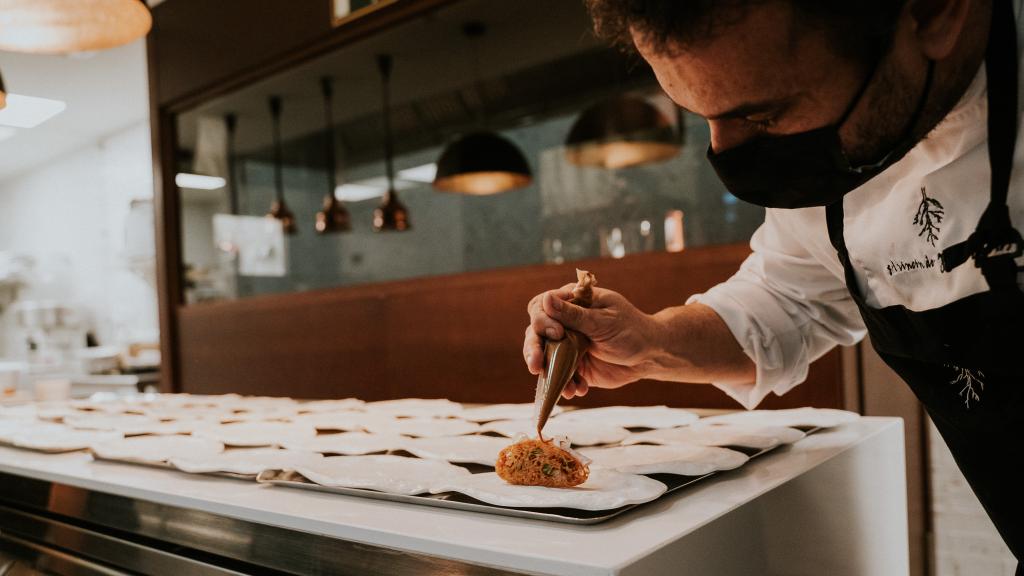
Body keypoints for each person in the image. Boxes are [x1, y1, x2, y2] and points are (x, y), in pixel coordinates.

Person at [524, 0, 1023, 570]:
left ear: (936, 13)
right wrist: (650, 339)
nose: (728, 154)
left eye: (762, 117)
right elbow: (784, 301)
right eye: (700, 116)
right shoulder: (826, 164)